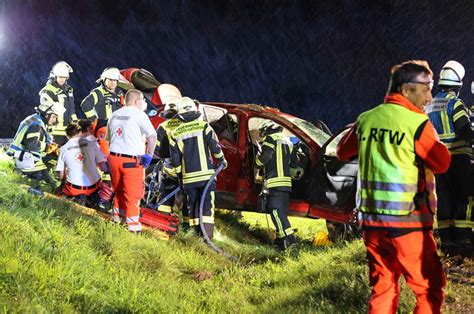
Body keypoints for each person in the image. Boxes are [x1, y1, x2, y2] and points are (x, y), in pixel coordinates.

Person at [337, 60, 450, 313]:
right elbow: (442, 162)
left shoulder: (366, 119)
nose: (430, 97)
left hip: (372, 223)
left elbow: (343, 152)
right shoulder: (416, 123)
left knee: (383, 288)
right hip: (407, 222)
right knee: (429, 287)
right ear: (408, 88)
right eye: (427, 88)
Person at [425, 60, 474, 255]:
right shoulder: (455, 103)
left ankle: (447, 240)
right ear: (458, 86)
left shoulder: (429, 105)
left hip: (438, 160)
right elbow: (463, 130)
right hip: (459, 157)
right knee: (462, 197)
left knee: (444, 198)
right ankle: (462, 238)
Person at [169, 97, 227, 238]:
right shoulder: (204, 127)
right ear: (195, 111)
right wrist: (222, 160)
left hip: (188, 178)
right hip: (206, 176)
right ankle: (207, 236)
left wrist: (179, 176)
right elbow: (215, 147)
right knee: (206, 205)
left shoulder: (175, 133)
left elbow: (175, 160)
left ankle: (195, 235)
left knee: (193, 205)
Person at [107, 89, 157, 232]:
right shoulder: (140, 115)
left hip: (114, 159)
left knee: (118, 190)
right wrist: (149, 155)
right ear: (136, 101)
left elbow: (110, 139)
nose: (144, 103)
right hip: (132, 162)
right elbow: (152, 137)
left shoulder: (114, 115)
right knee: (134, 194)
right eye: (142, 100)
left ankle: (117, 219)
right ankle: (133, 227)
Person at [255, 119, 295, 250]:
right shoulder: (288, 141)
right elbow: (295, 163)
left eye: (263, 130)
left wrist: (256, 163)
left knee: (275, 211)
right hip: (286, 184)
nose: (263, 133)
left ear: (269, 129)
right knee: (281, 213)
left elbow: (265, 157)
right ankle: (280, 241)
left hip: (274, 182)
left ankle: (288, 241)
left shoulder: (271, 139)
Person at [7, 103, 65, 189]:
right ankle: (37, 179)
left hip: (22, 157)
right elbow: (32, 144)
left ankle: (36, 176)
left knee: (51, 179)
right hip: (28, 161)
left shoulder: (36, 119)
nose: (55, 120)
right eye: (54, 117)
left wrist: (52, 146)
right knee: (50, 184)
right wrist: (49, 148)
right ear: (46, 115)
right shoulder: (37, 124)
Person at [154, 97, 190, 227]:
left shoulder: (163, 127)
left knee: (166, 193)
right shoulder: (186, 126)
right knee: (188, 196)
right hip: (186, 167)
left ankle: (162, 220)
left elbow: (157, 151)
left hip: (170, 168)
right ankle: (187, 225)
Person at [56, 122, 108, 205]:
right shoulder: (92, 144)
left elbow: (61, 175)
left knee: (59, 192)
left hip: (74, 189)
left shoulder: (63, 149)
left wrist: (63, 182)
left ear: (67, 135)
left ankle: (77, 199)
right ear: (80, 132)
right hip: (94, 187)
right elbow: (103, 167)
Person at [80, 67, 124, 156]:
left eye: (115, 80)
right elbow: (85, 104)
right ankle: (106, 166)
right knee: (105, 148)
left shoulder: (119, 93)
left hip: (118, 125)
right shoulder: (98, 92)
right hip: (103, 125)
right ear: (104, 80)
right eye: (110, 80)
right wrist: (93, 119)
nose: (113, 82)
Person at [39, 61, 76, 146]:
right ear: (54, 76)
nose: (62, 79)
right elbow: (46, 112)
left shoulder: (69, 90)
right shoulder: (48, 90)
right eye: (60, 77)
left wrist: (75, 123)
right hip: (54, 132)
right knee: (52, 157)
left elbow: (72, 109)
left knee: (67, 157)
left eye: (64, 77)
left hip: (68, 132)